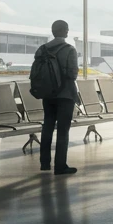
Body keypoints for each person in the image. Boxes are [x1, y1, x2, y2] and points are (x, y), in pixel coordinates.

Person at [35, 20, 79, 175]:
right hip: (65, 95)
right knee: (62, 130)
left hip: (48, 94)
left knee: (47, 127)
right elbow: (72, 74)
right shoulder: (69, 50)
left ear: (53, 31)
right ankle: (60, 166)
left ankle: (45, 163)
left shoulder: (42, 49)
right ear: (65, 31)